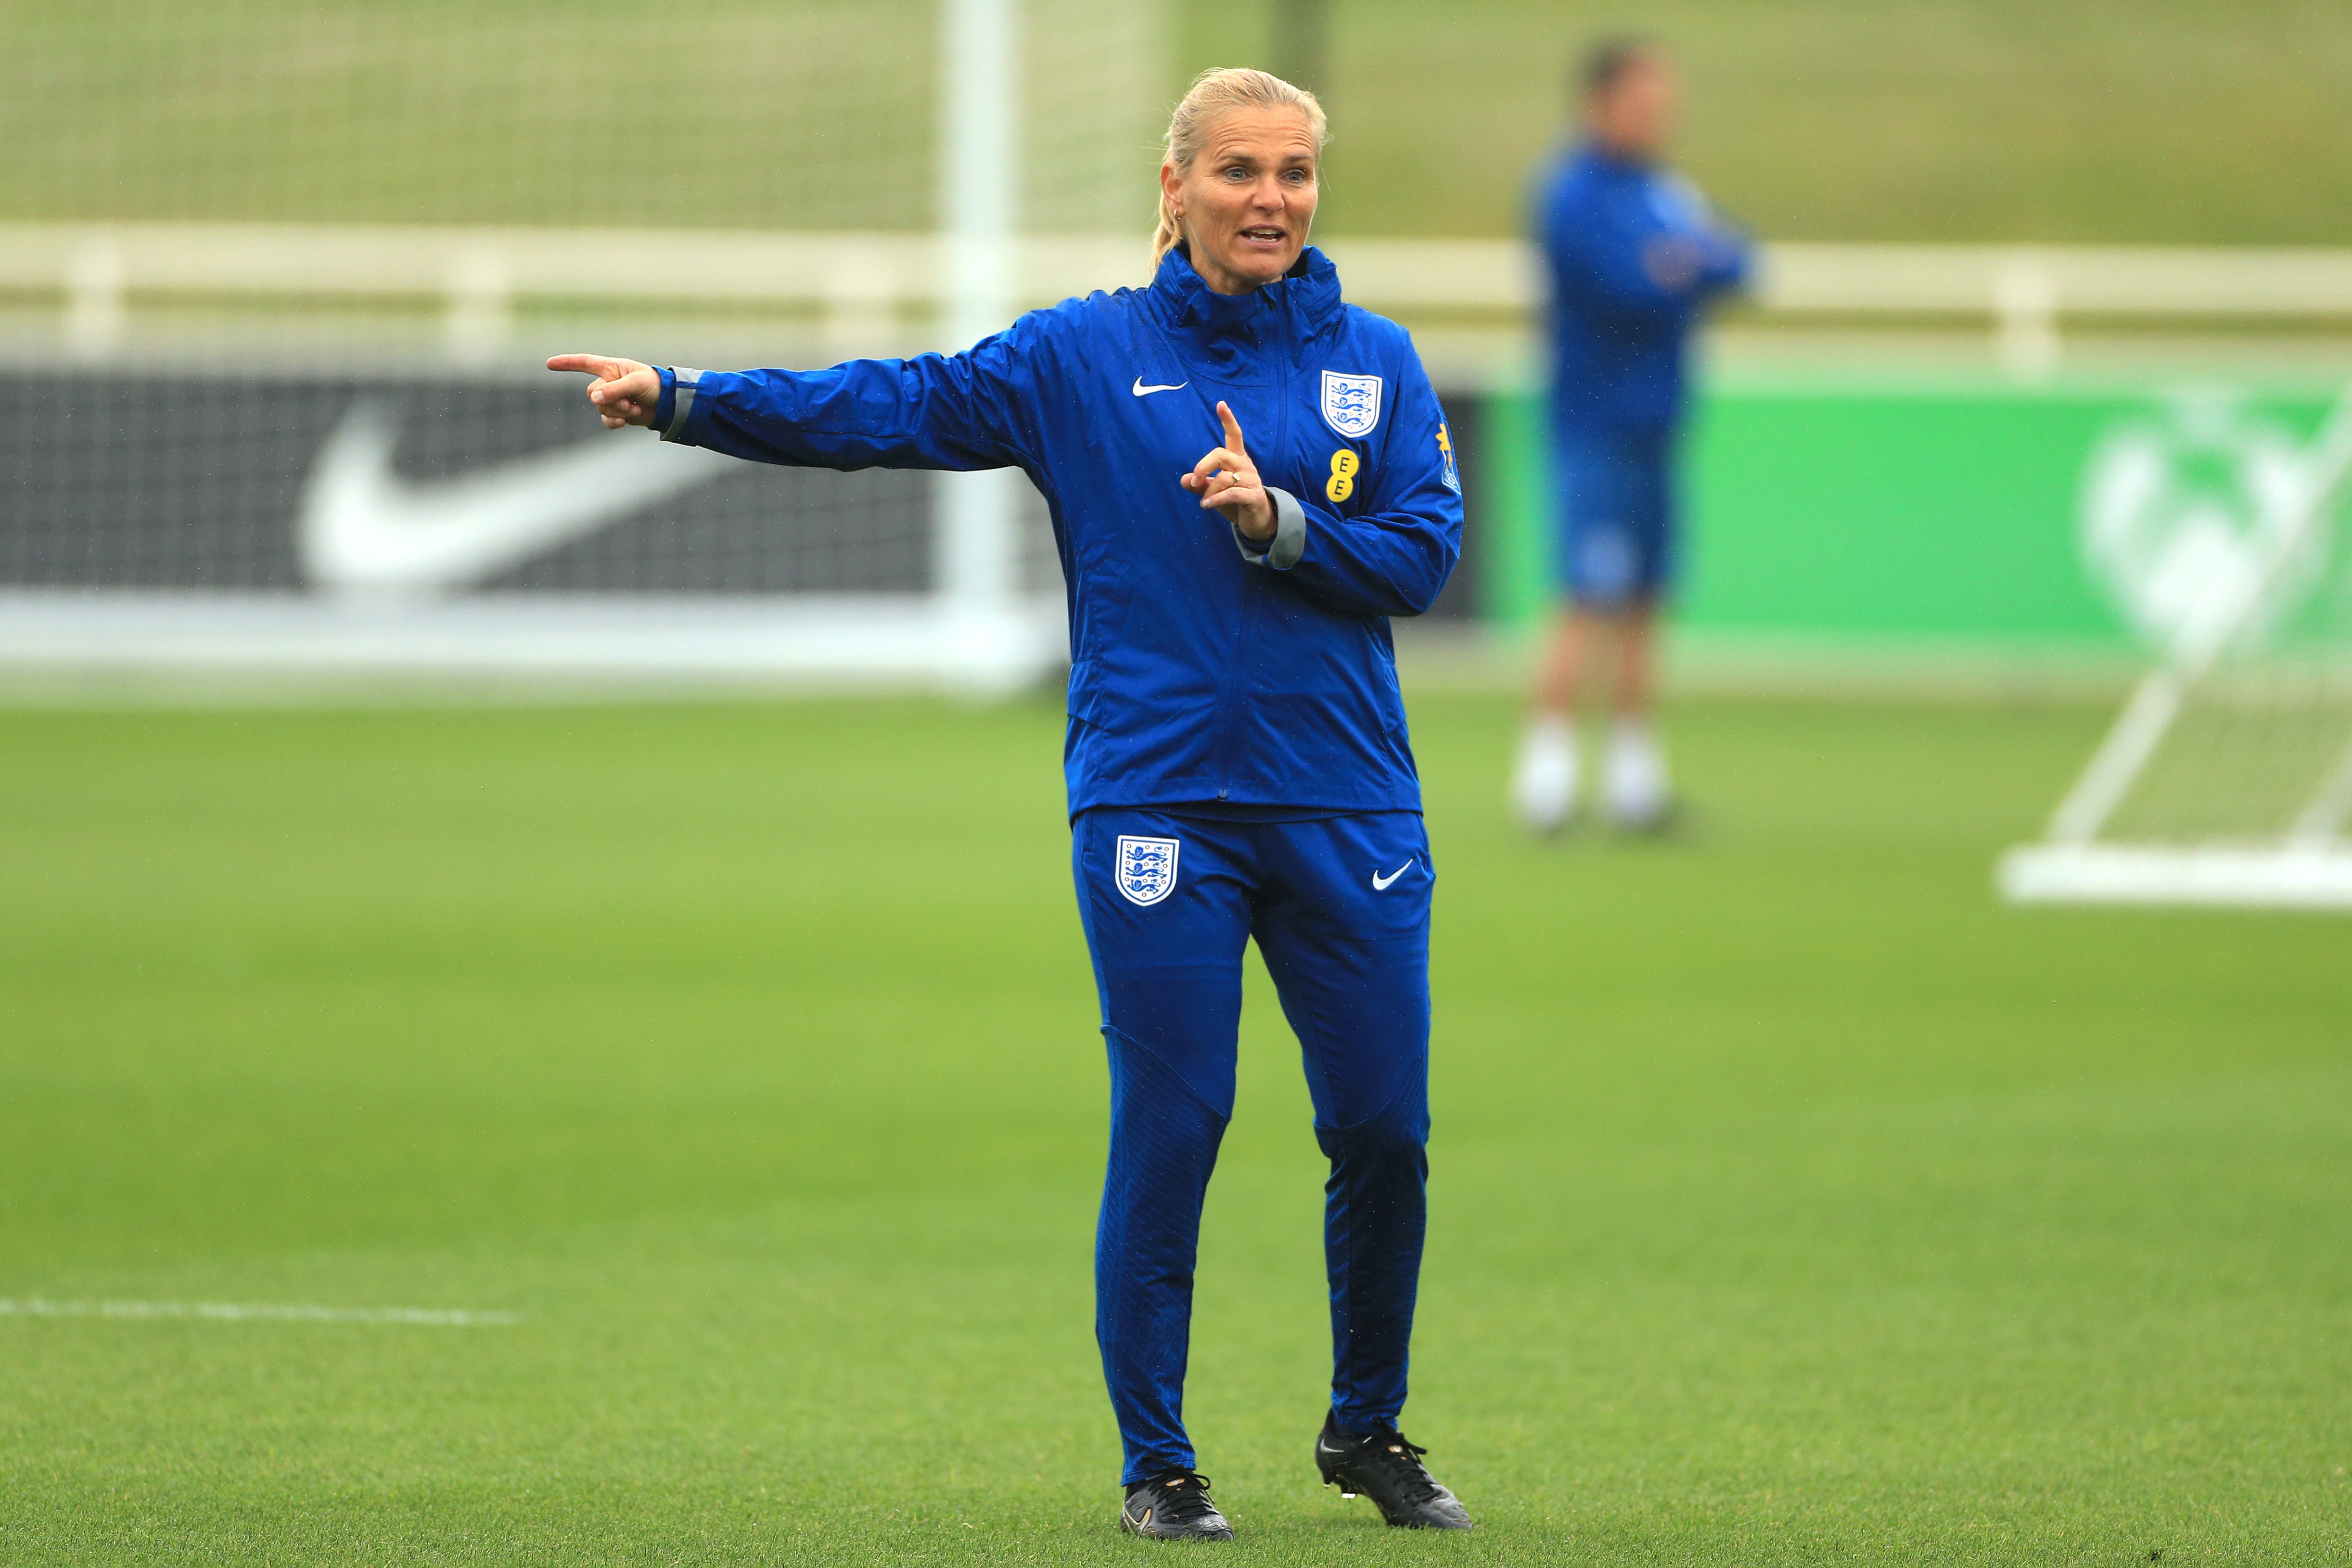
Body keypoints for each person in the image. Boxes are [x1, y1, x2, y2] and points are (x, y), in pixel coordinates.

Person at [549, 67, 1473, 1542]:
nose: (1272, 199)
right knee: (1174, 1124)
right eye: (1239, 171)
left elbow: (1423, 555)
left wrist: (1283, 523)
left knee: (1385, 1129)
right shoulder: (1082, 355)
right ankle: (1158, 1464)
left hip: (1348, 803)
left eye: (1295, 172)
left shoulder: (1379, 359)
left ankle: (1367, 1428)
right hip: (1156, 799)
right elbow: (891, 406)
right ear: (1174, 188)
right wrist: (687, 398)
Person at [1511, 38, 1751, 832]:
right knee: (1585, 595)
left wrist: (1683, 261)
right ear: (1601, 103)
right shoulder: (1571, 194)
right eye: (1644, 101)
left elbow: (1738, 260)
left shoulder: (1662, 192)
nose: (1658, 116)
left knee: (1647, 599)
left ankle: (1632, 785)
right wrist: (1685, 264)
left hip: (1657, 426)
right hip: (1594, 428)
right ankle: (1544, 782)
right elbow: (1628, 285)